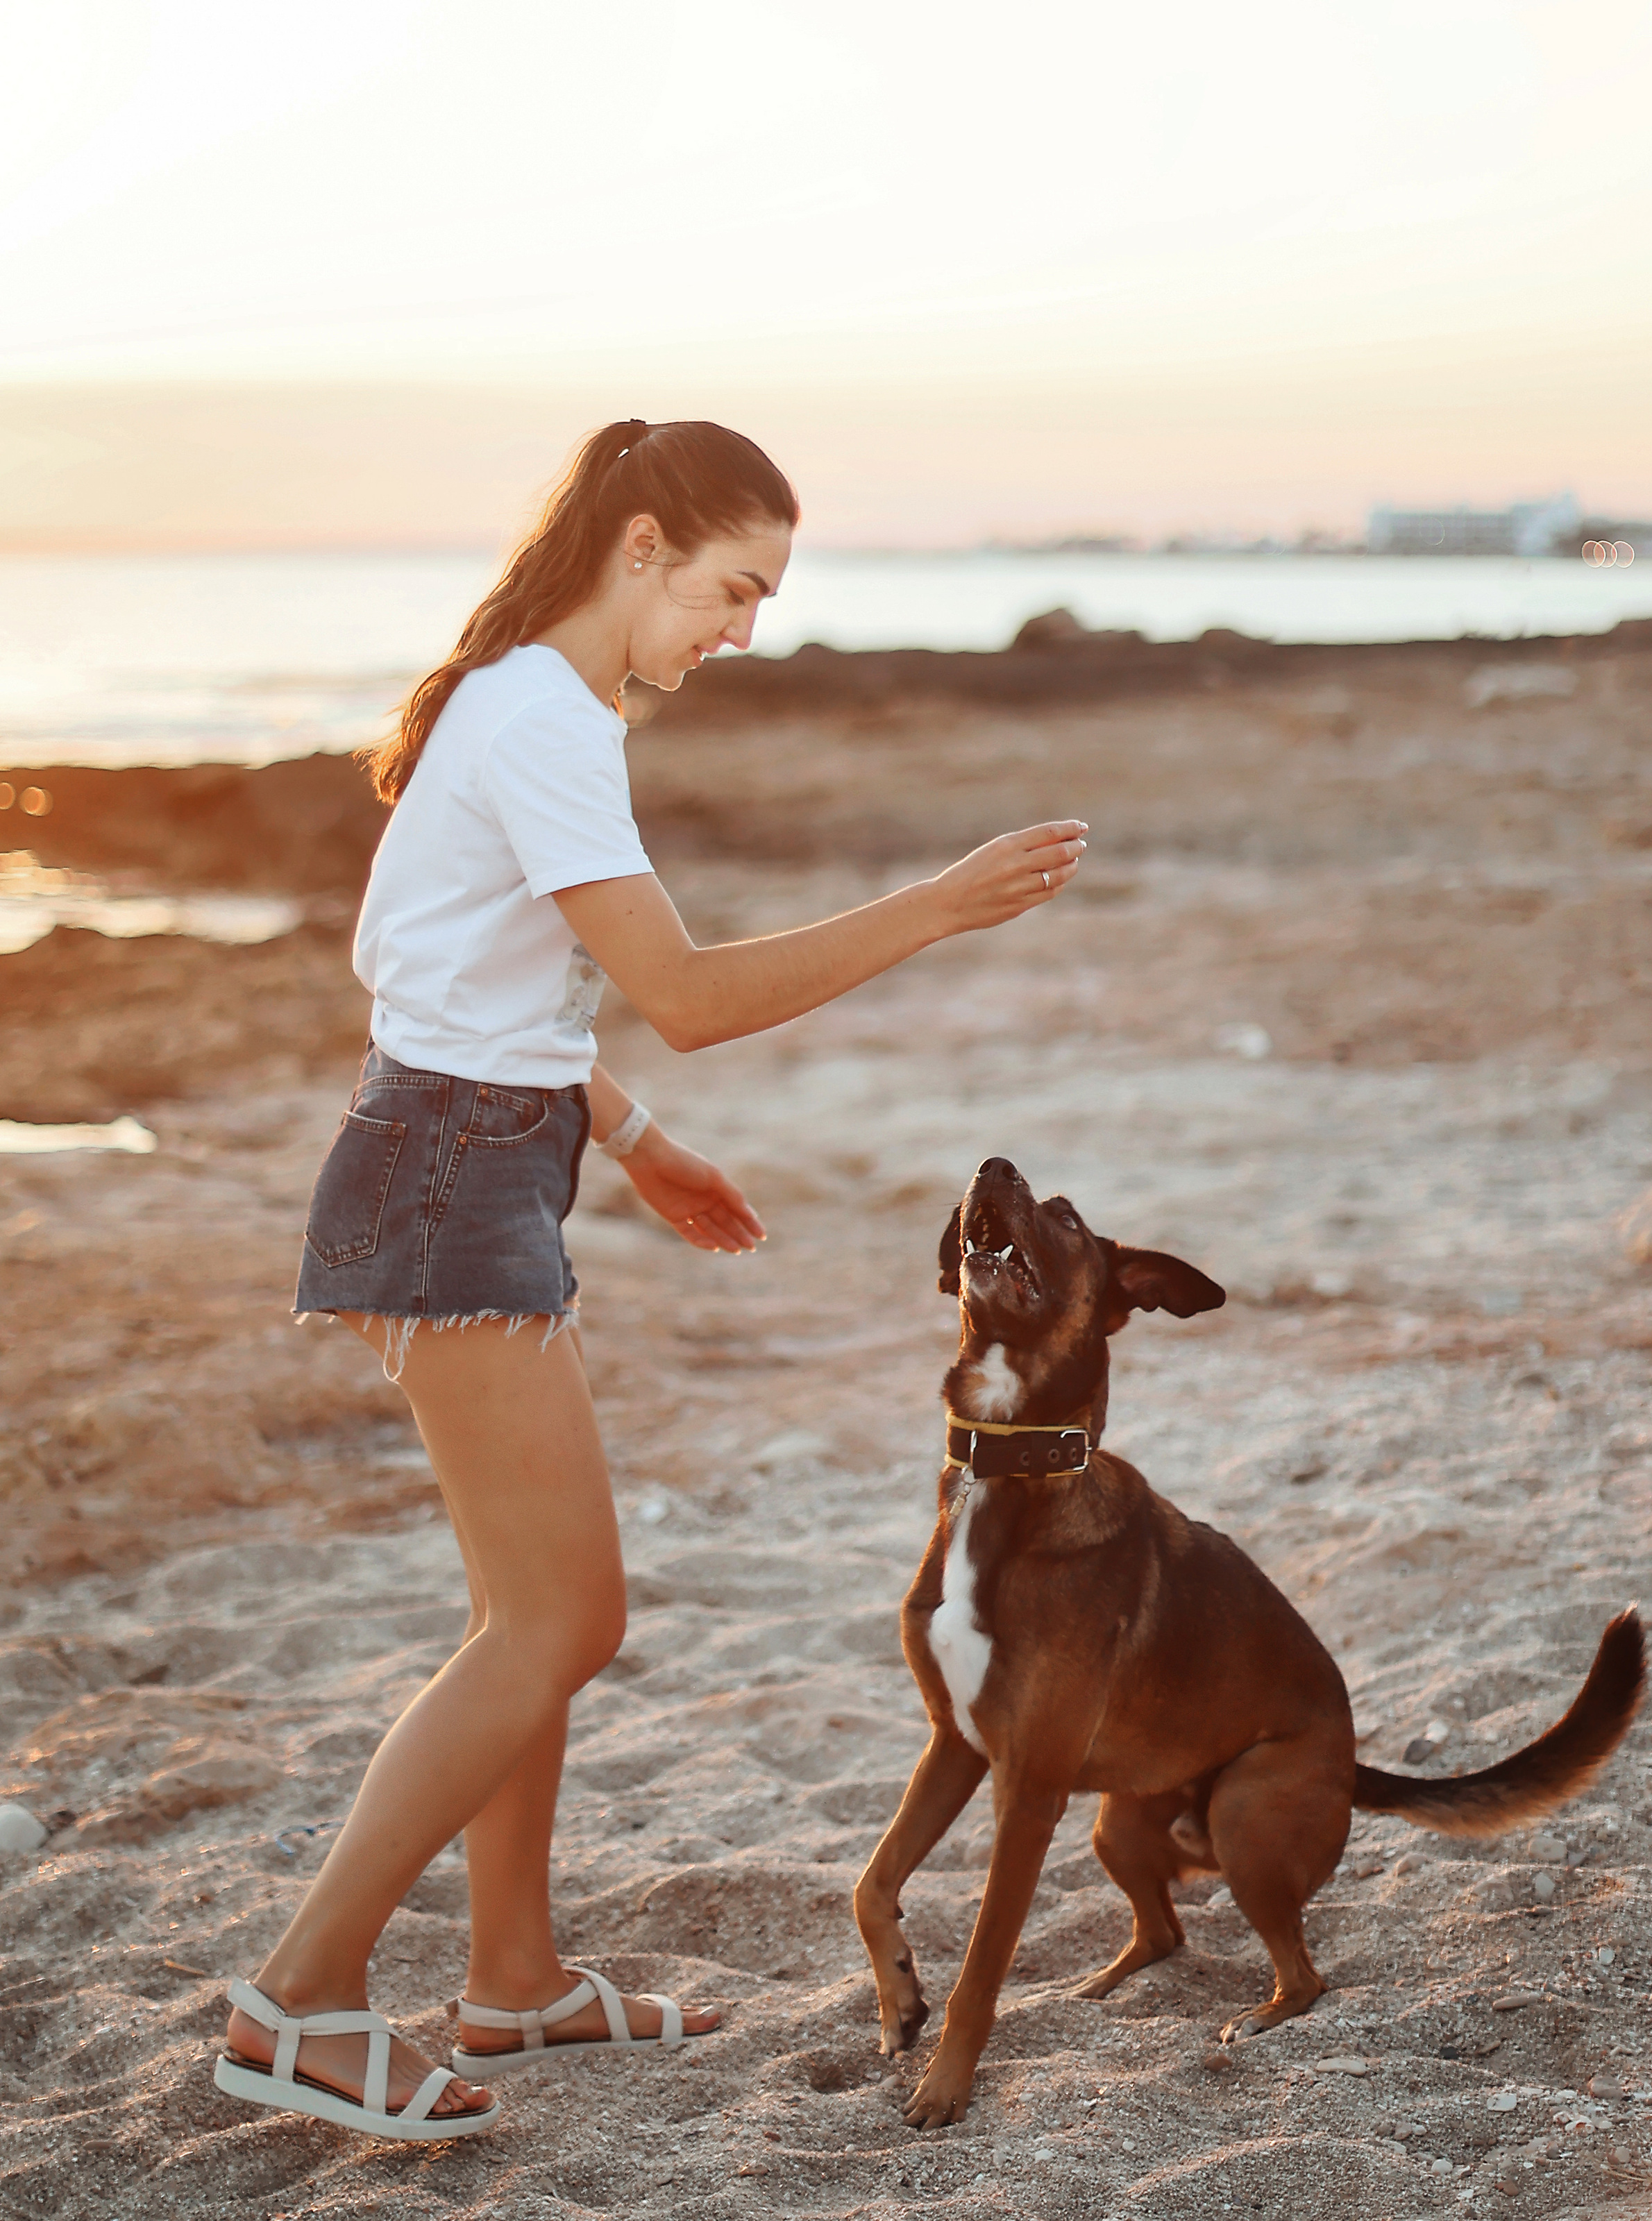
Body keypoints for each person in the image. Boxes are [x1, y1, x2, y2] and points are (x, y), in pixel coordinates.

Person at [213, 417, 1086, 2140]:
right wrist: (931, 905)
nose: (745, 632)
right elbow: (677, 984)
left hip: (481, 1152)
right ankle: (296, 2001)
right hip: (450, 1177)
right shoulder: (540, 712)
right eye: (732, 589)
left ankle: (514, 1978)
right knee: (562, 1618)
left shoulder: (528, 701)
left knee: (521, 1618)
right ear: (636, 546)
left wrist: (623, 1135)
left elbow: (468, 978)